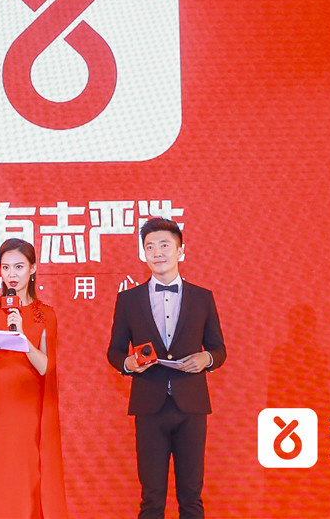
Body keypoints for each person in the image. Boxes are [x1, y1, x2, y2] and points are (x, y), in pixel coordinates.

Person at [107, 218, 226, 519]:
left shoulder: (202, 297)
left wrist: (206, 359)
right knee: (151, 499)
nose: (157, 253)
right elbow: (115, 351)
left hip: (191, 407)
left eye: (164, 245)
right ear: (143, 253)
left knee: (191, 497)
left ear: (180, 250)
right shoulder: (128, 300)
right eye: (150, 247)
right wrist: (128, 364)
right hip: (149, 407)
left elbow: (219, 349)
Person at [0, 238, 67, 519]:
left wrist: (22, 340)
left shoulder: (45, 314)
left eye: (19, 267)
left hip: (27, 409)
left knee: (26, 473)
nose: (12, 274)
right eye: (6, 267)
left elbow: (45, 367)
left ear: (32, 269)